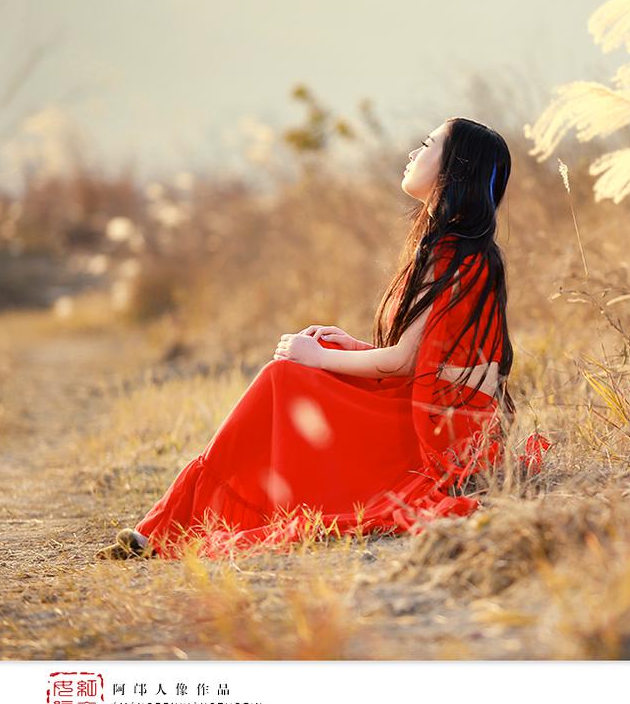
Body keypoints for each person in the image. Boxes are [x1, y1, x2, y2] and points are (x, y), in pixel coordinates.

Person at [95, 117, 551, 561]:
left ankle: (171, 524)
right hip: (433, 414)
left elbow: (404, 364)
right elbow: (428, 357)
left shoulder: (452, 255)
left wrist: (316, 357)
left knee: (283, 375)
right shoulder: (452, 248)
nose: (414, 152)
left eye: (428, 145)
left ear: (454, 169)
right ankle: (176, 522)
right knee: (305, 363)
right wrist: (350, 347)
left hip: (434, 436)